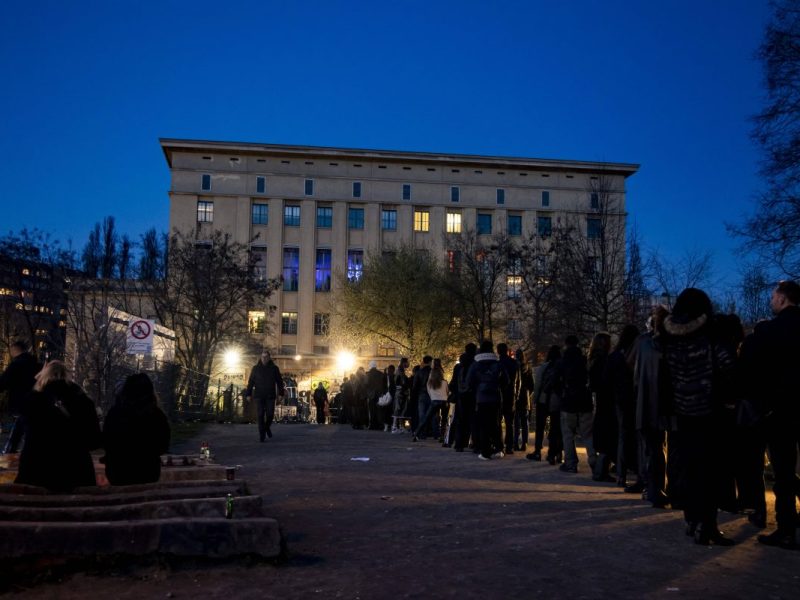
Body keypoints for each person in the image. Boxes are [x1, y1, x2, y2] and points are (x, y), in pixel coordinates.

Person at [662, 288, 735, 546]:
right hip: (709, 412)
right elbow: (728, 367)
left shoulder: (669, 337)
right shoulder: (710, 334)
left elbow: (666, 378)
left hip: (683, 412)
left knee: (690, 469)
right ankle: (707, 525)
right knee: (710, 471)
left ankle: (692, 520)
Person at [750, 280, 800, 549]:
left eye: (773, 296)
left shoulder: (771, 331)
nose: (771, 301)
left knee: (783, 471)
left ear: (782, 299)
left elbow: (754, 370)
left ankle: (787, 528)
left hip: (780, 411)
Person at [15, 361, 102, 492]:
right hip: (77, 474)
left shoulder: (32, 400)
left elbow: (25, 433)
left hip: (36, 472)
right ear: (67, 376)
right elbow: (94, 442)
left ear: (43, 376)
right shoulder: (83, 401)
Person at [630, 307, 673, 506]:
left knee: (650, 448)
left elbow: (634, 373)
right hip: (666, 404)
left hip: (645, 403)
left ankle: (651, 486)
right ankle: (659, 488)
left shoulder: (642, 343)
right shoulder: (671, 343)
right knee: (661, 449)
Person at [103, 372, 170, 486]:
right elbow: (163, 446)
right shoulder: (157, 415)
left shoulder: (115, 413)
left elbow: (106, 442)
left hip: (118, 472)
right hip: (147, 472)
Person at [606, 324, 641, 490]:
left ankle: (621, 474)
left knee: (623, 437)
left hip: (620, 399)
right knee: (637, 437)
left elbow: (607, 379)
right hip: (636, 399)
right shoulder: (637, 354)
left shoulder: (614, 356)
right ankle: (639, 472)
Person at [555, 335, 595, 474]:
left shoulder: (562, 362)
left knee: (568, 434)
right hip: (584, 400)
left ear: (566, 344)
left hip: (568, 402)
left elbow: (556, 382)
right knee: (588, 434)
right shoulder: (585, 360)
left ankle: (571, 463)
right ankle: (594, 462)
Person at [466, 340, 509, 460]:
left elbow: (469, 381)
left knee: (483, 424)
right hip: (495, 397)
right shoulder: (498, 363)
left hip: (481, 398)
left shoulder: (476, 364)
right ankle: (499, 449)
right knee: (496, 423)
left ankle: (485, 451)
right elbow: (506, 380)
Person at [0, 340, 41, 454]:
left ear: (15, 349)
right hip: (34, 401)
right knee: (25, 428)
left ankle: (10, 451)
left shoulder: (16, 364)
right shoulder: (36, 364)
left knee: (19, 427)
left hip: (20, 401)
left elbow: (4, 381)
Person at [527, 345, 562, 463]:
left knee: (540, 427)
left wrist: (534, 400)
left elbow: (538, 385)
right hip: (557, 401)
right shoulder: (562, 367)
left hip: (543, 399)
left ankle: (537, 451)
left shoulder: (544, 367)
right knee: (556, 428)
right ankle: (554, 453)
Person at [587, 332, 615, 481]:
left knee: (602, 434)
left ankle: (600, 469)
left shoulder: (593, 360)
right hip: (607, 400)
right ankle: (601, 471)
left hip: (600, 400)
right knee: (607, 435)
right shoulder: (605, 360)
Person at [245, 349, 285, 442]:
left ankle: (266, 428)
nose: (264, 359)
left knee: (270, 414)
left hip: (270, 396)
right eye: (263, 357)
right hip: (259, 396)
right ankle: (262, 435)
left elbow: (279, 382)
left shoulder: (274, 368)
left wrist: (281, 394)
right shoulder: (255, 368)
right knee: (260, 415)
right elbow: (251, 382)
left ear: (269, 358)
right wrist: (248, 394)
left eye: (266, 357)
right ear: (260, 357)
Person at [413, 358, 448, 441]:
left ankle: (417, 434)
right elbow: (447, 392)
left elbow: (428, 391)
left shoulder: (430, 383)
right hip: (444, 402)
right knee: (443, 420)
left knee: (425, 418)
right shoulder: (445, 382)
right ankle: (441, 436)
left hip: (434, 400)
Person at [497, 343, 518, 455]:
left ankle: (499, 445)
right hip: (510, 394)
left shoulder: (498, 364)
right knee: (510, 422)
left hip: (500, 395)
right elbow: (518, 381)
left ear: (498, 351)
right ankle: (509, 446)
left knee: (498, 421)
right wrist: (516, 394)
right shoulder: (514, 363)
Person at [513, 349, 534, 451]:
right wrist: (528, 395)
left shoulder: (513, 366)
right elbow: (532, 386)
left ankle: (515, 442)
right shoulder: (527, 368)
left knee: (516, 421)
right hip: (525, 397)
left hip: (515, 397)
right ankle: (524, 442)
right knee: (525, 421)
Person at [411, 356, 433, 438]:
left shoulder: (419, 372)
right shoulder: (432, 372)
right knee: (430, 414)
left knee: (421, 414)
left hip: (421, 395)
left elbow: (415, 386)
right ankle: (429, 431)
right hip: (431, 395)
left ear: (423, 362)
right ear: (430, 362)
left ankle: (421, 432)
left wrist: (414, 396)